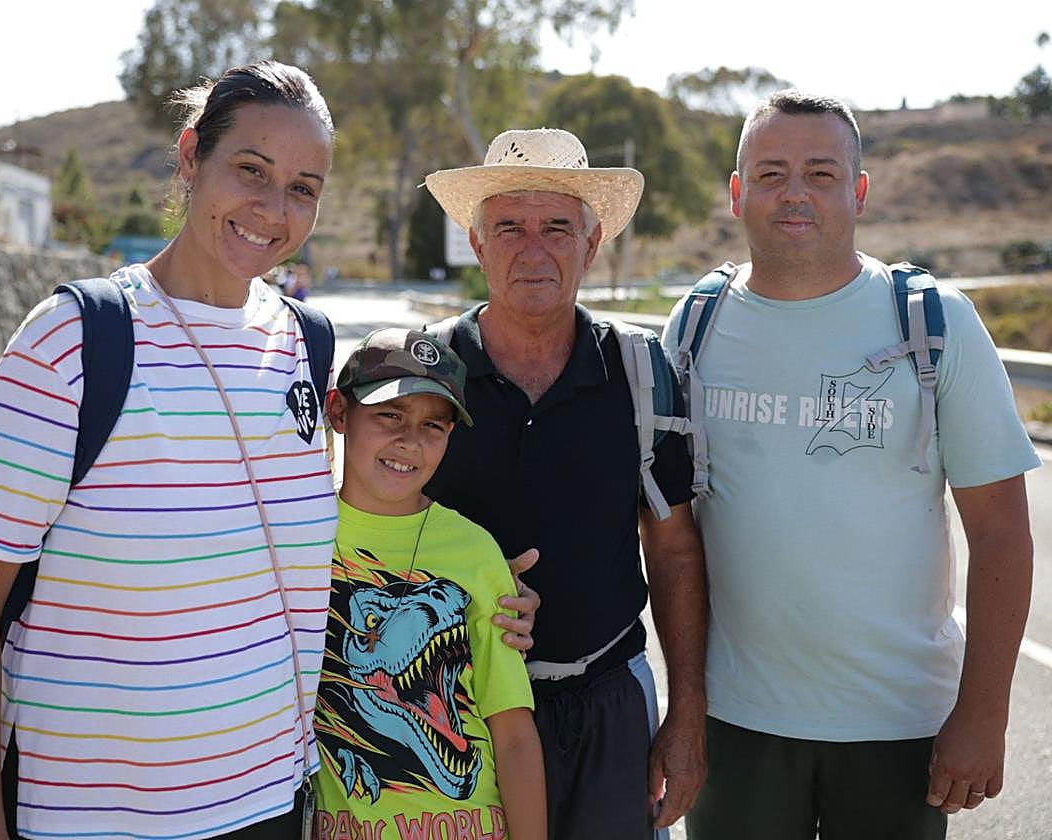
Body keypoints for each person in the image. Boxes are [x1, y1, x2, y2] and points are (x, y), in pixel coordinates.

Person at [0, 61, 536, 840]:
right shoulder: (77, 340)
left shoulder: (306, 348)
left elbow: (293, 564)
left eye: (304, 187)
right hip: (92, 819)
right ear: (190, 158)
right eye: (250, 170)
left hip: (274, 811)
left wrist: (484, 605)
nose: (273, 209)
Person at [661, 90, 1039, 840]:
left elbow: (1000, 532)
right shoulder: (695, 325)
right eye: (770, 173)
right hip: (737, 724)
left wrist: (984, 712)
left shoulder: (936, 324)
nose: (795, 192)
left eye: (821, 173)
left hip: (898, 724)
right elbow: (666, 527)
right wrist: (683, 710)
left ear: (858, 191)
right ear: (737, 195)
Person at [422, 128, 708, 839]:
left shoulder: (643, 372)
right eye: (510, 226)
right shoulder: (426, 372)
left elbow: (672, 551)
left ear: (592, 240)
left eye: (557, 226)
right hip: (452, 711)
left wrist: (688, 716)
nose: (534, 246)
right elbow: (373, 536)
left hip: (609, 707)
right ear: (478, 242)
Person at [315, 328, 545, 839]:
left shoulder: (474, 551)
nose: (410, 441)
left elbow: (512, 734)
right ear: (338, 412)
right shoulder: (299, 537)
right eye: (389, 415)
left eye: (433, 426)